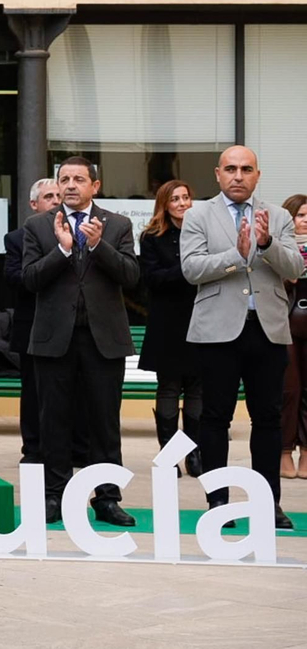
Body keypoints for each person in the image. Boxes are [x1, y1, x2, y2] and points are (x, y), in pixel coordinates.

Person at [180, 146, 303, 530]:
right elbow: (191, 269)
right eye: (230, 169)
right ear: (217, 174)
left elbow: (296, 267)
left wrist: (266, 245)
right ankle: (219, 504)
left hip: (267, 329)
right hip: (217, 331)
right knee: (215, 419)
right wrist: (236, 253)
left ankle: (269, 505)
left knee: (267, 418)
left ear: (257, 175)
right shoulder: (198, 214)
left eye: (246, 169)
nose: (238, 176)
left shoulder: (279, 216)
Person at [21, 156, 139, 527]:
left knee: (105, 422)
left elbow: (131, 276)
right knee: (53, 419)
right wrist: (63, 250)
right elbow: (29, 280)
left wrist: (99, 245)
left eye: (78, 179)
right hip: (54, 339)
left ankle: (106, 498)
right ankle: (55, 495)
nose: (70, 185)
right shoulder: (38, 226)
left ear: (94, 186)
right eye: (64, 179)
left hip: (103, 339)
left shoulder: (117, 224)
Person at [138, 179, 202, 477]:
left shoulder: (204, 232)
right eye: (175, 199)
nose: (182, 203)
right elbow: (152, 279)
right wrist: (188, 271)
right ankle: (169, 456)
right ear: (165, 204)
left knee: (197, 389)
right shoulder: (152, 237)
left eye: (186, 197)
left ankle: (195, 455)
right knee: (168, 388)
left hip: (201, 318)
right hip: (167, 322)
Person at [4, 178, 60, 463]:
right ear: (34, 204)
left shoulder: (79, 233)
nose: (55, 201)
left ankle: (74, 447)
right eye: (49, 196)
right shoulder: (16, 238)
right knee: (34, 391)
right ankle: (34, 449)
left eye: (58, 196)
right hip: (33, 325)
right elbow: (14, 277)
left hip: (67, 325)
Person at [280, 194, 307, 480]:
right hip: (286, 325)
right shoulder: (278, 247)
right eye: (300, 215)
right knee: (289, 390)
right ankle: (284, 450)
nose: (306, 220)